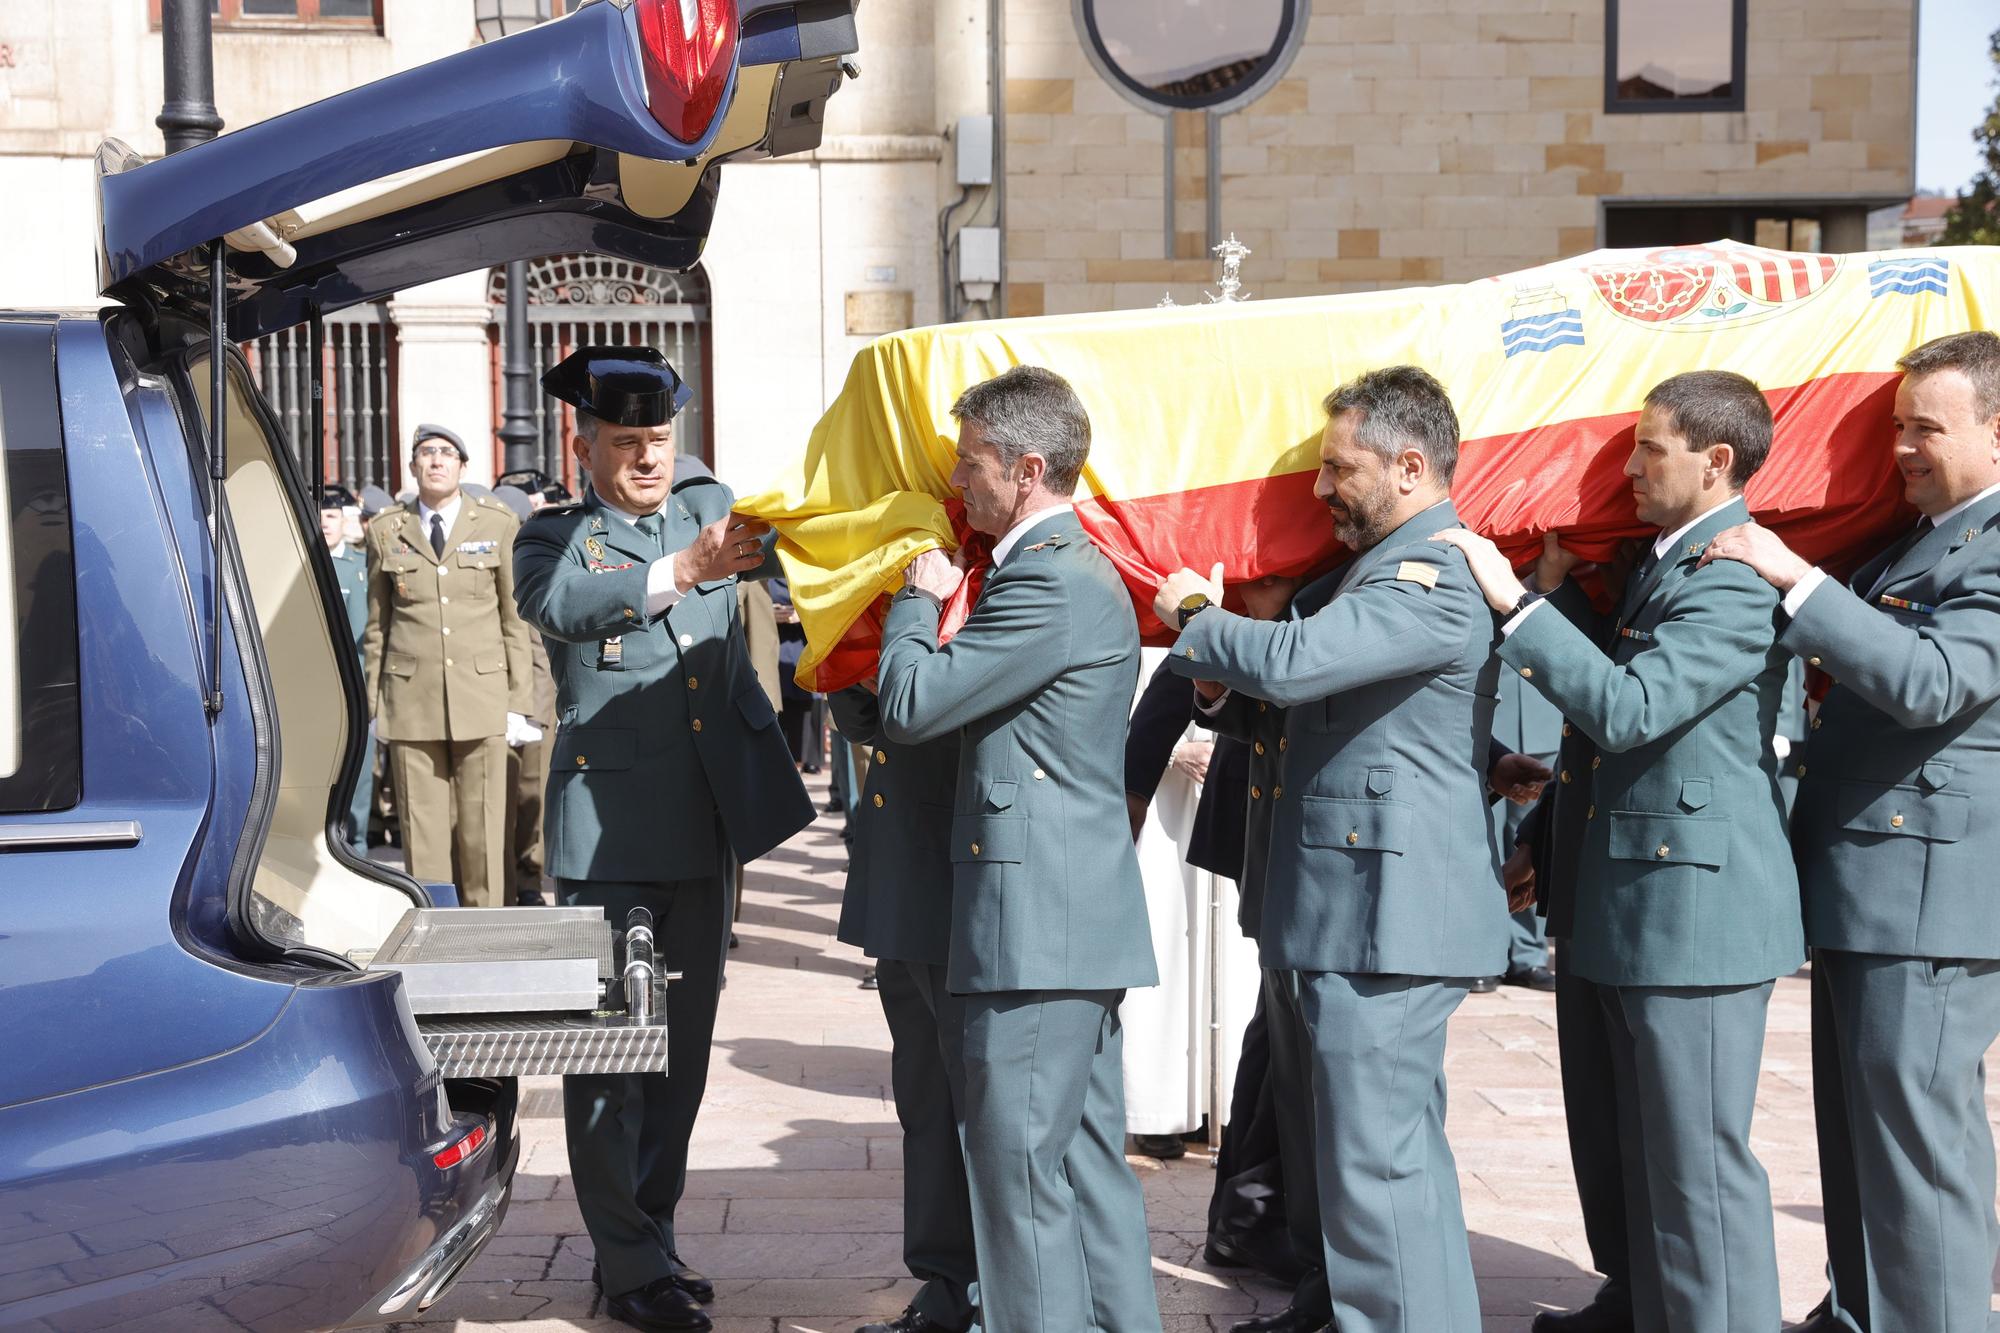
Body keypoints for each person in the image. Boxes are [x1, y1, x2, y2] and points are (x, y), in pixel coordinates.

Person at [1439, 369, 1803, 1332]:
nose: (1628, 465)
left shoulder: (1729, 578)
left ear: (1716, 460)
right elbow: (1610, 700)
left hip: (1694, 917)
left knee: (1695, 1165)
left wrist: (1516, 606)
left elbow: (1630, 710)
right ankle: (1642, 1299)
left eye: (1650, 447)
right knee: (1619, 1143)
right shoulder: (1662, 562)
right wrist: (1562, 596)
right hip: (1621, 899)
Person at [1154, 365, 1506, 1333]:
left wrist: (1194, 614)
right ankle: (1339, 1308)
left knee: (1377, 1164)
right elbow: (1297, 711)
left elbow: (1300, 664)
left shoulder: (1431, 571)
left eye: (1336, 467)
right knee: (1342, 1161)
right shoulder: (1366, 574)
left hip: (1382, 921)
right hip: (1333, 909)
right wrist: (1223, 694)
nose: (1318, 487)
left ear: (1406, 463)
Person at [1703, 330, 2000, 1333]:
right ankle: (1864, 1312)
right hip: (1867, 884)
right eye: (1894, 426)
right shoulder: (1916, 538)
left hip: (1925, 899)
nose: (1903, 447)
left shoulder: (1992, 545)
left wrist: (1797, 578)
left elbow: (1932, 681)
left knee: (1917, 1154)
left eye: (1927, 427)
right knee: (1860, 1139)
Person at [513, 345, 815, 1333]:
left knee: (680, 1056)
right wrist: (681, 569)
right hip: (607, 835)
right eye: (626, 443)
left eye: (659, 441)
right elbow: (558, 608)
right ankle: (625, 1258)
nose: (647, 460)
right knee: (609, 1055)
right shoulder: (556, 536)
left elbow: (803, 557)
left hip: (702, 825)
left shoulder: (710, 509)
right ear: (585, 444)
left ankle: (652, 1235)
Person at [876, 365, 1162, 1333]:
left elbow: (913, 705)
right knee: (1079, 1168)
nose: (958, 483)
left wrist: (916, 600)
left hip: (1035, 926)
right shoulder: (1055, 571)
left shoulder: (1047, 578)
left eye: (970, 464)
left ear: (1027, 467)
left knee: (1018, 1182)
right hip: (1057, 920)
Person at [829, 682, 975, 1333]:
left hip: (965, 856)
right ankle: (947, 1283)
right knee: (925, 1090)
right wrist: (853, 653)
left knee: (972, 1094)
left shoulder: (1008, 583)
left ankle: (988, 1290)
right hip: (906, 855)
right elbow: (865, 718)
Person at [361, 424, 537, 907]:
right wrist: (373, 704)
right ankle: (434, 929)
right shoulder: (386, 530)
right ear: (413, 466)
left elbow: (514, 620)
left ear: (462, 466)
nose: (436, 460)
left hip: (482, 697)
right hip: (410, 701)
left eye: (446, 453)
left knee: (483, 831)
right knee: (423, 832)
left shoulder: (497, 523)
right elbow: (378, 626)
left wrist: (520, 703)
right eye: (425, 453)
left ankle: (488, 933)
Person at [493, 483, 559, 906]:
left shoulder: (535, 558)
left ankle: (529, 879)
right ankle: (506, 880)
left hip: (536, 701)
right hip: (492, 697)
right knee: (500, 800)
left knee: (531, 799)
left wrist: (535, 711)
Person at [319, 483, 373, 857]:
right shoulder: (306, 563)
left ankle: (359, 841)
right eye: (320, 514)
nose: (325, 523)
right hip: (317, 680)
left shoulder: (359, 565)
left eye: (333, 515)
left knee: (361, 765)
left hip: (356, 676)